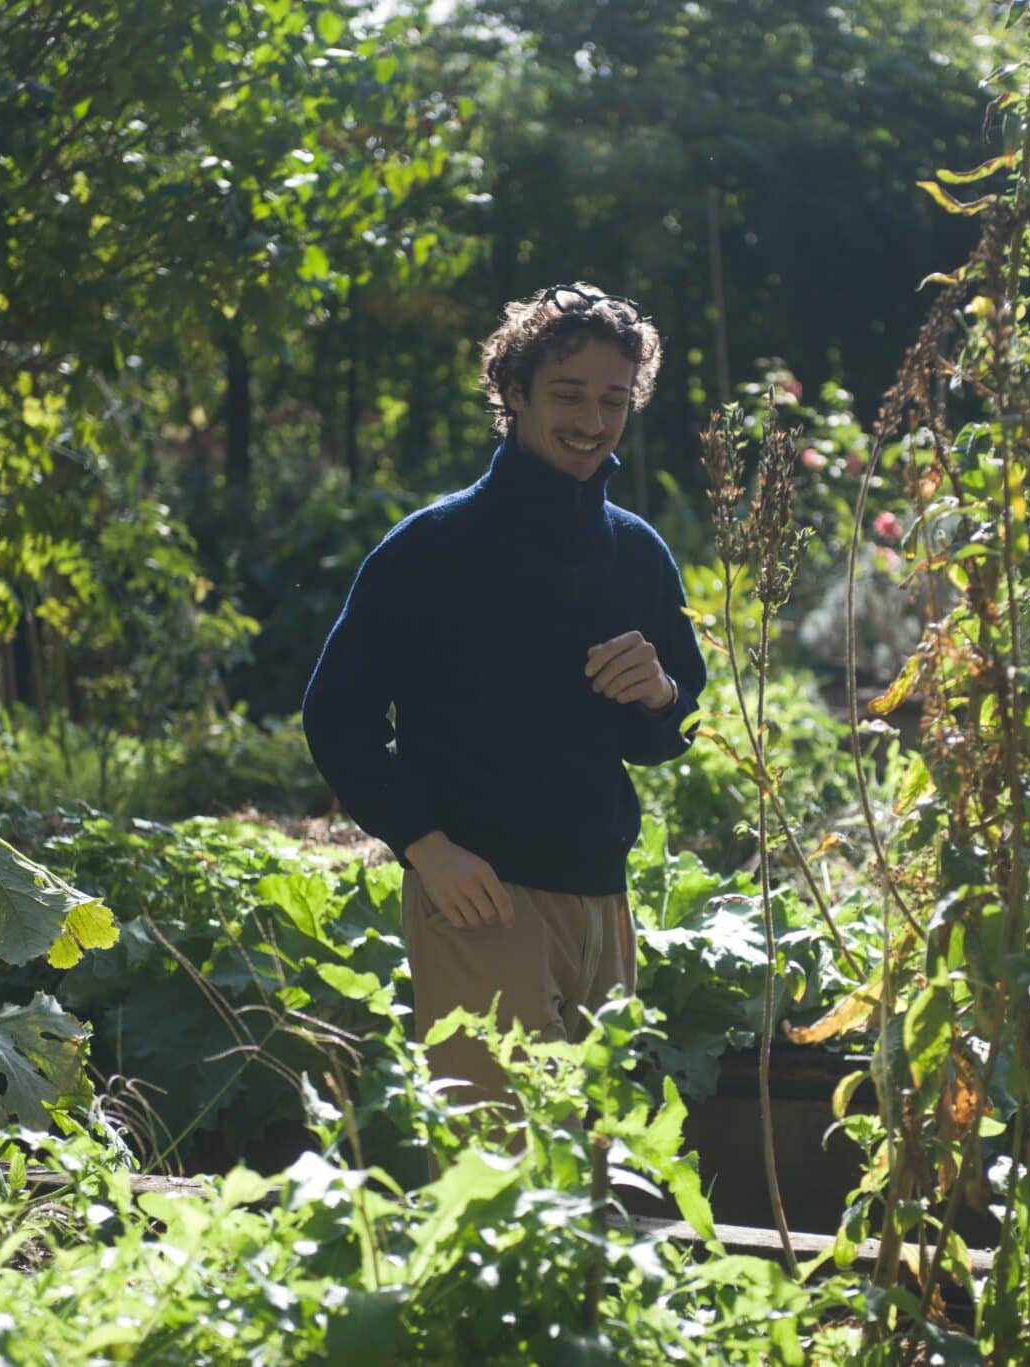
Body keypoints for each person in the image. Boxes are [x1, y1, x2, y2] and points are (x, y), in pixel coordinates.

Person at [302, 283, 705, 1114]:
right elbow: (335, 715)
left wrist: (661, 694)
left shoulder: (638, 554)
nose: (592, 420)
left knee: (597, 1165)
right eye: (568, 394)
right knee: (504, 1163)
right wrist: (427, 847)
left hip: (604, 903)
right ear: (514, 392)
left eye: (613, 399)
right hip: (479, 903)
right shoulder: (432, 549)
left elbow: (672, 730)